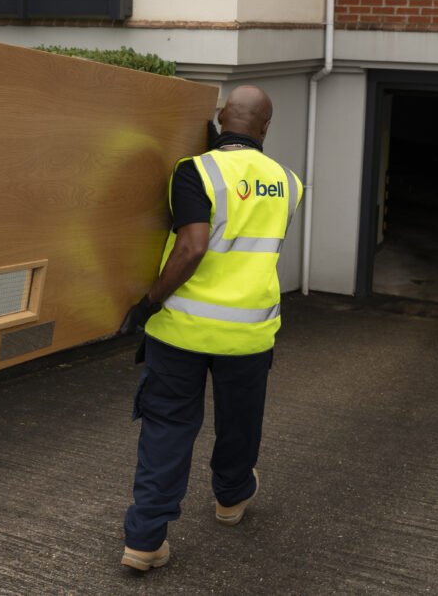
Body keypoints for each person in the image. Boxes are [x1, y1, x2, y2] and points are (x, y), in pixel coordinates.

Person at [117, 85, 302, 571]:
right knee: (240, 422)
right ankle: (231, 498)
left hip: (180, 332)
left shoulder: (194, 170)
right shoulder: (289, 182)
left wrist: (148, 302)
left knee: (168, 428)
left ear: (221, 118)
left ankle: (145, 541)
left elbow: (193, 246)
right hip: (248, 335)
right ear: (266, 126)